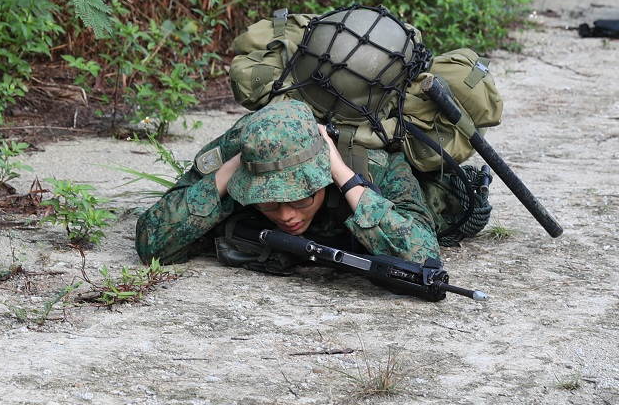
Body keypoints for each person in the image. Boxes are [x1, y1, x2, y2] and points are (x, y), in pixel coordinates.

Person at [135, 97, 441, 273]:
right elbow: (152, 242)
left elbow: (424, 259)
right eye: (268, 203)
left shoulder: (374, 164)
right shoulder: (242, 150)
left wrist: (342, 174)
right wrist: (234, 168)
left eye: (300, 200)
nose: (286, 216)